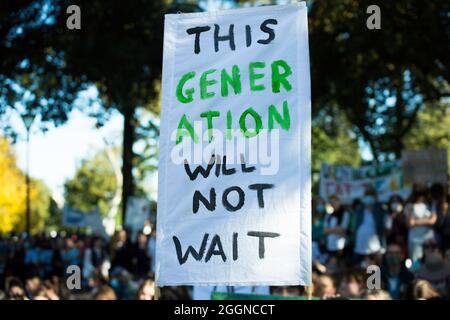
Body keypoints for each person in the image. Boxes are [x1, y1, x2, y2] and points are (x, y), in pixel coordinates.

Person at [353, 188, 390, 266]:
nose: (369, 198)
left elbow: (386, 228)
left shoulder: (381, 210)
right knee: (362, 269)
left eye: (371, 196)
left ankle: (376, 278)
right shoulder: (359, 210)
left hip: (376, 247)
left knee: (375, 269)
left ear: (375, 198)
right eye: (367, 196)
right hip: (361, 246)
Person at [405, 184, 437, 263]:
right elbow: (409, 223)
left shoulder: (431, 204)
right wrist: (426, 221)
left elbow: (432, 221)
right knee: (416, 264)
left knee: (431, 263)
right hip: (415, 240)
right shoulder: (410, 205)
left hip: (429, 240)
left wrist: (416, 222)